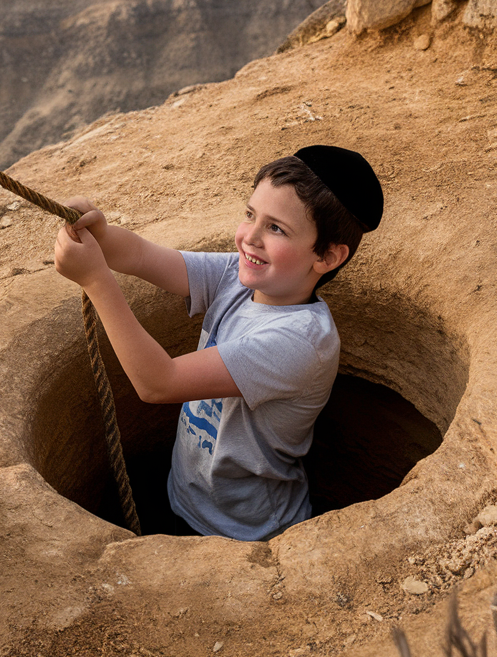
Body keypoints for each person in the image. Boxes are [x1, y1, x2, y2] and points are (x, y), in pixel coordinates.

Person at [53, 146, 383, 542]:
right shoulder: (238, 277)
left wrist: (96, 281)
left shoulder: (299, 342)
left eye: (276, 228)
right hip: (188, 498)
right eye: (250, 215)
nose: (250, 238)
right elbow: (141, 255)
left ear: (328, 256)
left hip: (248, 531)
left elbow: (158, 382)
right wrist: (99, 232)